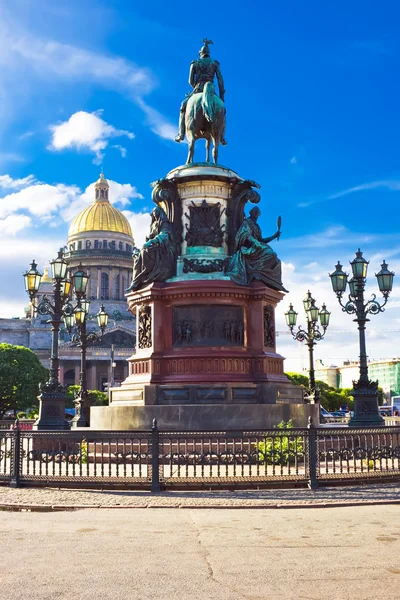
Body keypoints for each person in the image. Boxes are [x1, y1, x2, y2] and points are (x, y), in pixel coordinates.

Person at [175, 39, 226, 145]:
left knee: (183, 107)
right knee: (223, 110)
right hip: (211, 89)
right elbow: (220, 80)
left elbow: (190, 80)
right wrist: (221, 96)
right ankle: (221, 137)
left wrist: (196, 87)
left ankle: (180, 134)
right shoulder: (215, 63)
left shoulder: (195, 63)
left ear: (200, 53)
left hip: (198, 88)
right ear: (208, 54)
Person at [226, 206, 284, 289]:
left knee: (275, 258)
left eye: (258, 214)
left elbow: (261, 240)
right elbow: (245, 234)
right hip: (248, 248)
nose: (256, 215)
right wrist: (254, 241)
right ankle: (256, 271)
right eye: (255, 213)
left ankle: (259, 272)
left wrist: (273, 236)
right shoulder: (247, 222)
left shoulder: (257, 226)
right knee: (271, 254)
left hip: (257, 248)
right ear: (252, 214)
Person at [127, 206, 176, 291]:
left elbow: (165, 234)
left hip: (161, 246)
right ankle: (136, 281)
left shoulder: (164, 222)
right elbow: (150, 237)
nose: (154, 215)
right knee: (138, 256)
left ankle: (144, 275)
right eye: (153, 213)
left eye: (155, 213)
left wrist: (152, 241)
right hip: (156, 245)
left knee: (145, 251)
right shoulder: (154, 224)